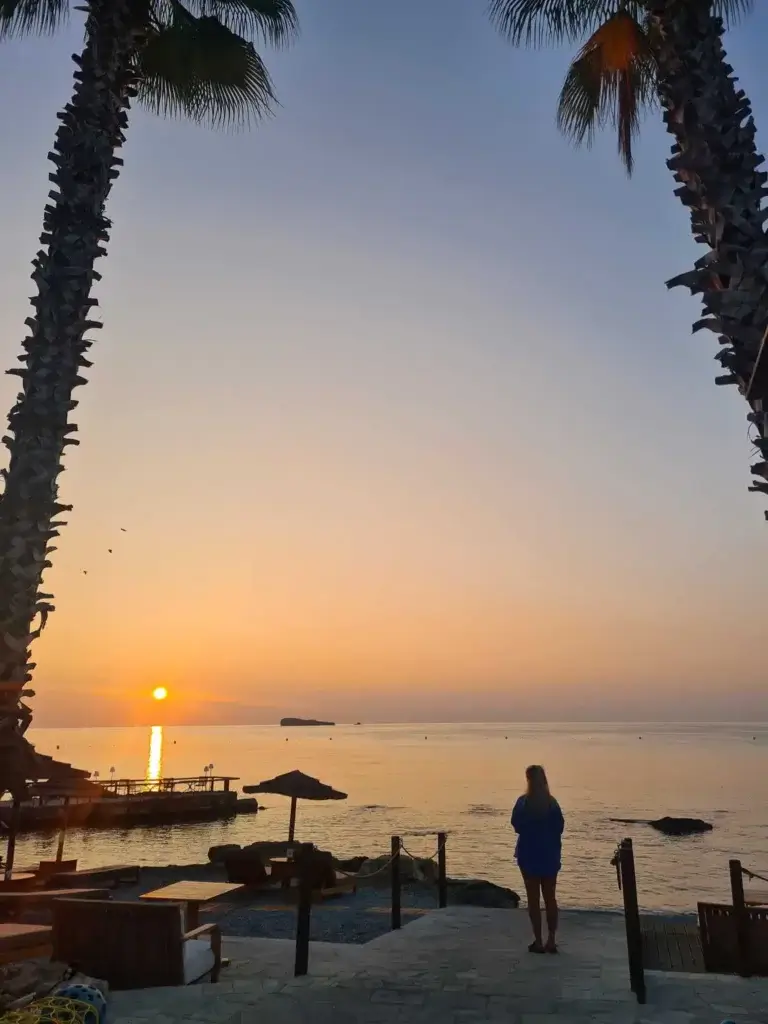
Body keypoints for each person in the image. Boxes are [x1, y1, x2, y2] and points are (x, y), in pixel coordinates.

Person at [511, 764, 564, 954]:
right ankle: (551, 939)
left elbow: (516, 825)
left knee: (533, 900)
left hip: (529, 854)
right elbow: (559, 828)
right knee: (550, 898)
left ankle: (538, 941)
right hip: (549, 855)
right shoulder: (552, 804)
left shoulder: (523, 803)